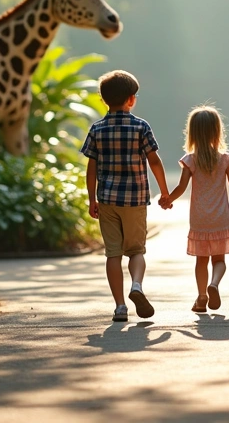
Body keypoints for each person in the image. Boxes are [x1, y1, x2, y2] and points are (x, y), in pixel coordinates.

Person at [82, 70, 172, 323]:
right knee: (136, 250)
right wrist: (165, 192)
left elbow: (91, 167)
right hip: (135, 199)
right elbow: (154, 160)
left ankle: (120, 306)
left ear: (103, 100)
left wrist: (92, 199)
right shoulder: (141, 126)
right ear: (131, 99)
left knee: (112, 254)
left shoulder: (97, 129)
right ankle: (137, 286)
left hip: (108, 199)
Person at [168, 106, 229, 313]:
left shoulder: (190, 160)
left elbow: (181, 188)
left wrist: (167, 200)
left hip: (200, 219)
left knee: (201, 261)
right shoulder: (225, 159)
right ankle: (214, 284)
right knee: (219, 260)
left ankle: (202, 297)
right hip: (220, 218)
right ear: (217, 131)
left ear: (192, 132)